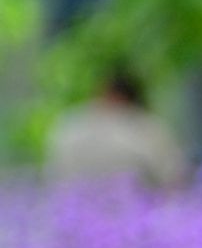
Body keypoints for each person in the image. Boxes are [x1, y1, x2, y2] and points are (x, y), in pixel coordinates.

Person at [44, 69, 191, 192]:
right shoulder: (144, 127)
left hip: (75, 218)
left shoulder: (68, 125)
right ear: (133, 99)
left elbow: (53, 175)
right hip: (133, 217)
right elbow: (174, 179)